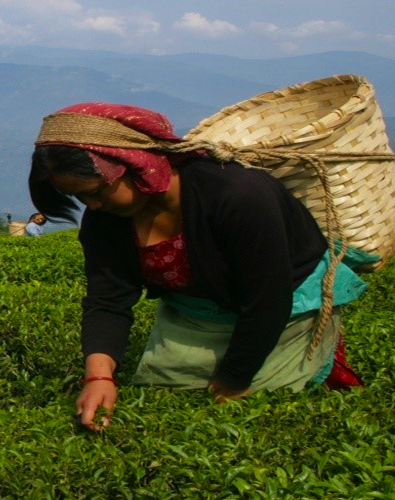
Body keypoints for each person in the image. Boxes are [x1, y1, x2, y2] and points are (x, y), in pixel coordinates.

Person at [28, 103, 368, 432]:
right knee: (165, 395)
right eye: (81, 199)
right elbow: (108, 299)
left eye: (96, 192)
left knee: (259, 402)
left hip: (284, 312)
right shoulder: (106, 220)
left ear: (131, 164)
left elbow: (267, 299)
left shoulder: (238, 194)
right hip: (196, 316)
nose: (93, 205)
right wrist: (99, 377)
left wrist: (232, 380)